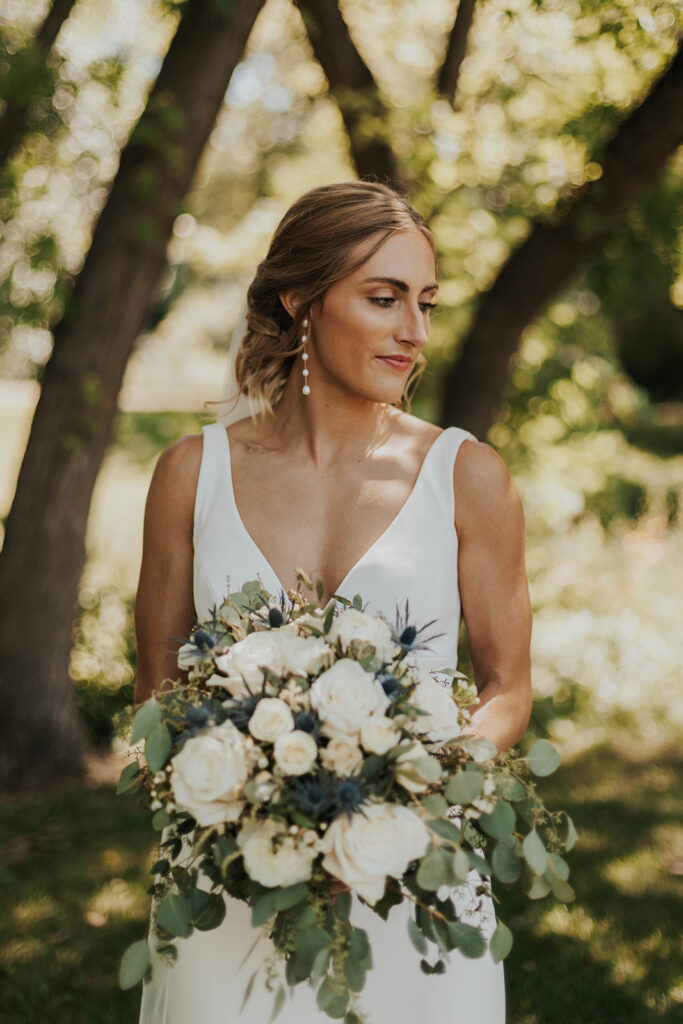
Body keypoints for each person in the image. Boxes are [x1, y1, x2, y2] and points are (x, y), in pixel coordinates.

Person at [134, 180, 532, 1024]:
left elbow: (506, 687)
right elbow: (156, 696)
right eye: (383, 298)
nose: (414, 332)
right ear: (299, 298)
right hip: (231, 883)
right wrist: (243, 795)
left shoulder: (467, 476)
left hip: (410, 870)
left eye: (424, 302)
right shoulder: (187, 474)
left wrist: (415, 790)